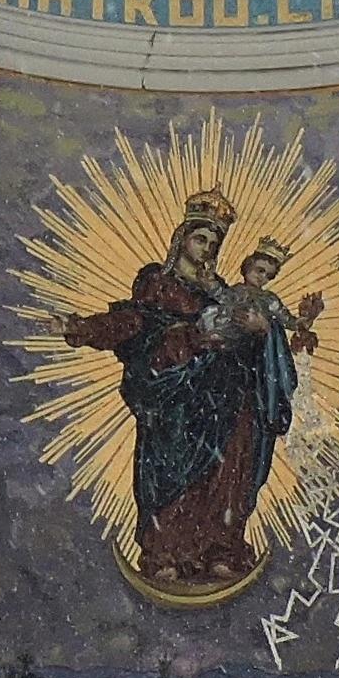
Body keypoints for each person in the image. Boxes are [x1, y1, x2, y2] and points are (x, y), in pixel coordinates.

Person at [59, 193, 279, 595]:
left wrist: (267, 334)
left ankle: (219, 548)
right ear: (182, 240)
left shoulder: (223, 294)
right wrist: (83, 328)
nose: (207, 248)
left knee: (228, 469)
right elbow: (134, 324)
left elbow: (251, 337)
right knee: (172, 468)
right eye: (201, 239)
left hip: (226, 397)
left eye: (214, 244)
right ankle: (167, 553)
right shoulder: (158, 283)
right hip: (177, 395)